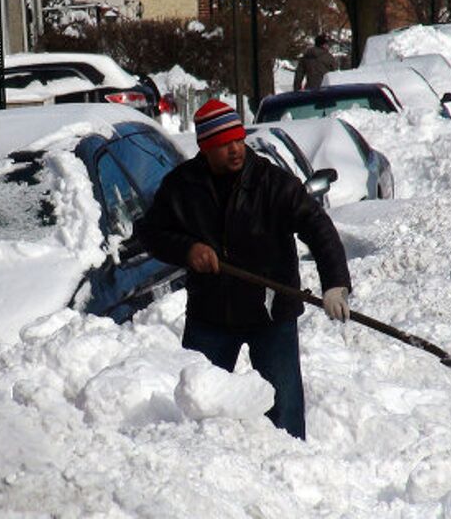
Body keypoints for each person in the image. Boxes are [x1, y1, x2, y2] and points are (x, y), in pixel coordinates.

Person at [137, 98, 352, 440]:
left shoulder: (272, 182)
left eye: (238, 139)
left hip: (271, 313)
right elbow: (148, 233)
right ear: (205, 148)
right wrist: (187, 249)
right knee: (198, 403)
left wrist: (335, 283)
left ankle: (291, 464)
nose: (235, 149)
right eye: (223, 145)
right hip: (211, 315)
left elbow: (317, 226)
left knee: (285, 409)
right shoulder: (182, 186)